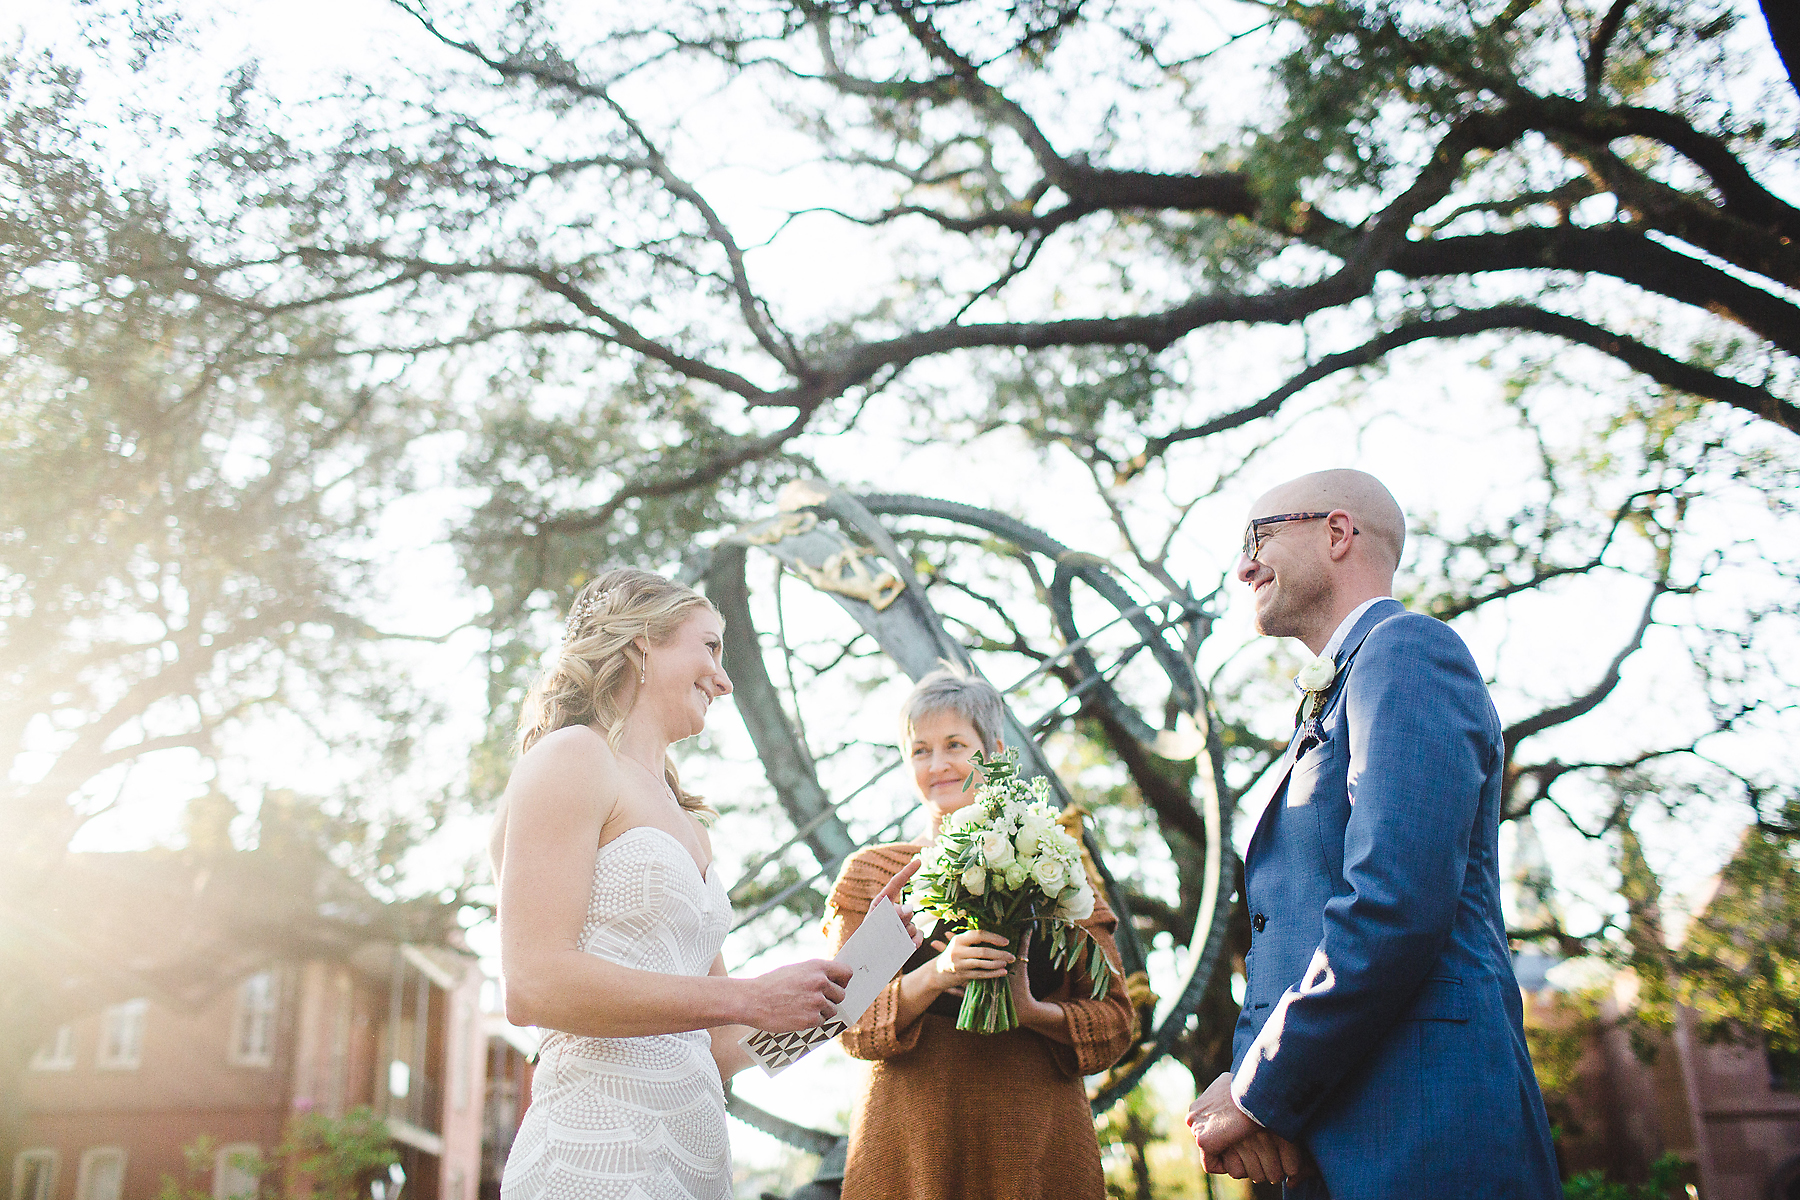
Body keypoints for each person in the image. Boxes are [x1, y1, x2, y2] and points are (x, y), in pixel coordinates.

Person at [1185, 470, 1560, 1198]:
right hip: (1333, 1133)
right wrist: (1257, 1087)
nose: (1243, 566)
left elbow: (1394, 903)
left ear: (1336, 533)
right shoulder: (1339, 689)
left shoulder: (1407, 651)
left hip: (1426, 1129)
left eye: (1259, 537)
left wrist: (1259, 1088)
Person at [492, 568, 914, 1200]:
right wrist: (747, 996)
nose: (724, 677)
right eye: (710, 646)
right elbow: (533, 985)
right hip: (598, 1147)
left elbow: (722, 1045)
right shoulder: (573, 757)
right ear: (641, 640)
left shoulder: (690, 821)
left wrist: (865, 968)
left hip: (695, 1159)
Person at [824, 664, 1137, 1200]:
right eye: (920, 750)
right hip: (909, 1143)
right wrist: (938, 976)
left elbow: (1115, 1023)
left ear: (991, 751)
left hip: (1036, 1139)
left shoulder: (1055, 865)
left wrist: (1033, 1010)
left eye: (954, 745)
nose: (938, 764)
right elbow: (846, 1022)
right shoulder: (873, 876)